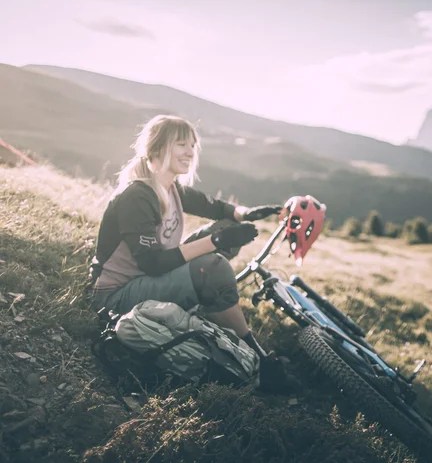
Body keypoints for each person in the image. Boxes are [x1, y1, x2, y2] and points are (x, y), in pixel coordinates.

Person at [89, 114, 315, 390]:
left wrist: (246, 214)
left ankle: (208, 300)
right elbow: (153, 263)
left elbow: (214, 207)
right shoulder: (137, 196)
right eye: (181, 144)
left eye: (192, 145)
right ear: (157, 147)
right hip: (116, 296)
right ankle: (258, 359)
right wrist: (216, 241)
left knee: (227, 227)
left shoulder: (170, 188)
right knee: (212, 267)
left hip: (146, 281)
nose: (190, 152)